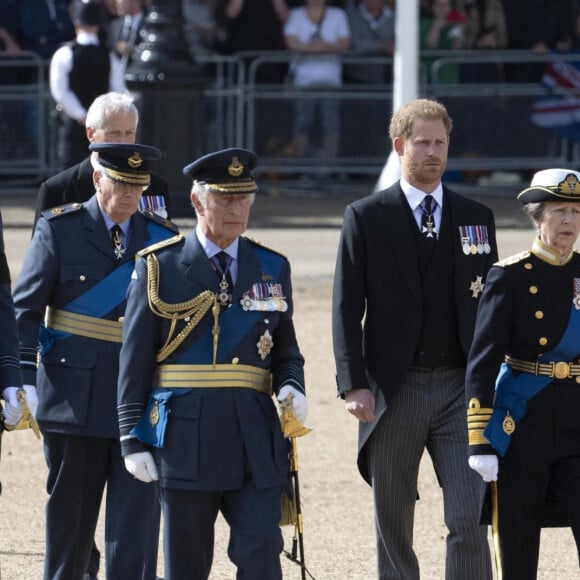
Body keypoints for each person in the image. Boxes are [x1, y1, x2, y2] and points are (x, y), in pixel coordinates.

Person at [116, 147, 308, 579]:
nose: (237, 208)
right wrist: (131, 436)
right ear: (198, 201)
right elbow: (134, 360)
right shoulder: (158, 267)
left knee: (262, 555)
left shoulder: (272, 266)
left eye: (244, 198)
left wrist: (292, 383)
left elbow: (285, 348)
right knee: (186, 566)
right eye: (225, 198)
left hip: (253, 439)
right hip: (185, 438)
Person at [332, 98, 497, 579]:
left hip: (460, 387)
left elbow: (492, 306)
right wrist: (353, 383)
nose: (432, 152)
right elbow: (345, 308)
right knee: (394, 520)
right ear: (400, 145)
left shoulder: (476, 217)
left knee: (470, 515)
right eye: (422, 142)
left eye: (440, 143)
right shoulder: (365, 216)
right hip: (394, 388)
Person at [13, 142, 179, 580]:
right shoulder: (60, 229)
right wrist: (24, 375)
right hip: (73, 401)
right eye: (122, 184)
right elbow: (25, 311)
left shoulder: (162, 238)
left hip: (140, 407)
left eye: (138, 186)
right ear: (97, 179)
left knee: (135, 538)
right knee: (69, 534)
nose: (130, 194)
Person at [466, 168, 580, 579]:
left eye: (575, 211)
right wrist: (479, 441)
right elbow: (482, 360)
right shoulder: (509, 276)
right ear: (537, 217)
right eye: (558, 211)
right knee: (516, 546)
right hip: (522, 425)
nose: (568, 221)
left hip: (576, 424)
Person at [33, 91, 171, 230]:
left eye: (129, 133)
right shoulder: (58, 190)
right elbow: (42, 248)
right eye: (114, 133)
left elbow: (166, 246)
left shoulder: (155, 187)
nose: (122, 142)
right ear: (91, 134)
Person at [49, 0, 126, 170]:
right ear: (98, 26)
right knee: (102, 172)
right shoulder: (109, 57)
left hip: (73, 124)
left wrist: (81, 115)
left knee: (70, 175)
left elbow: (60, 91)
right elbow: (118, 91)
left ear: (76, 24)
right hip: (102, 125)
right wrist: (99, 116)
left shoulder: (64, 54)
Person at [283, 0, 350, 167]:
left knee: (331, 125)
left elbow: (344, 43)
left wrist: (310, 47)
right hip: (303, 80)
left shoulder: (337, 15)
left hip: (331, 80)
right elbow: (290, 42)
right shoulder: (296, 15)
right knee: (302, 124)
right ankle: (302, 166)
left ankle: (330, 166)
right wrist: (322, 47)